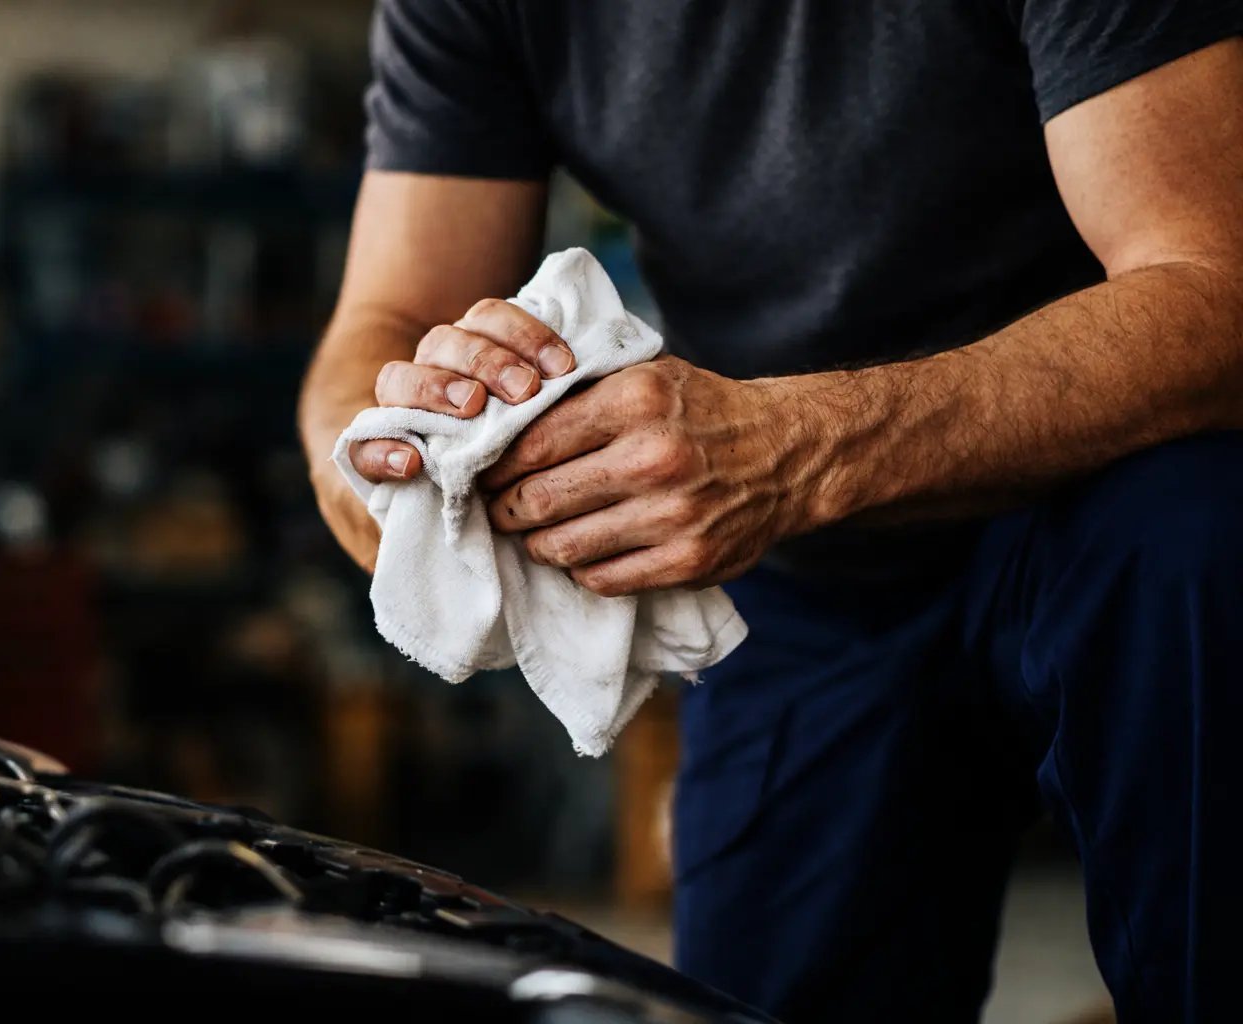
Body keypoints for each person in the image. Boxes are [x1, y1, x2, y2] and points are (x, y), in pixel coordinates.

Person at [296, 3, 1243, 1022]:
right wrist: (419, 456)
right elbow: (382, 326)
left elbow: (1214, 286)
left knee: (1200, 531)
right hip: (799, 575)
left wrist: (800, 446)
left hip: (1100, 502)